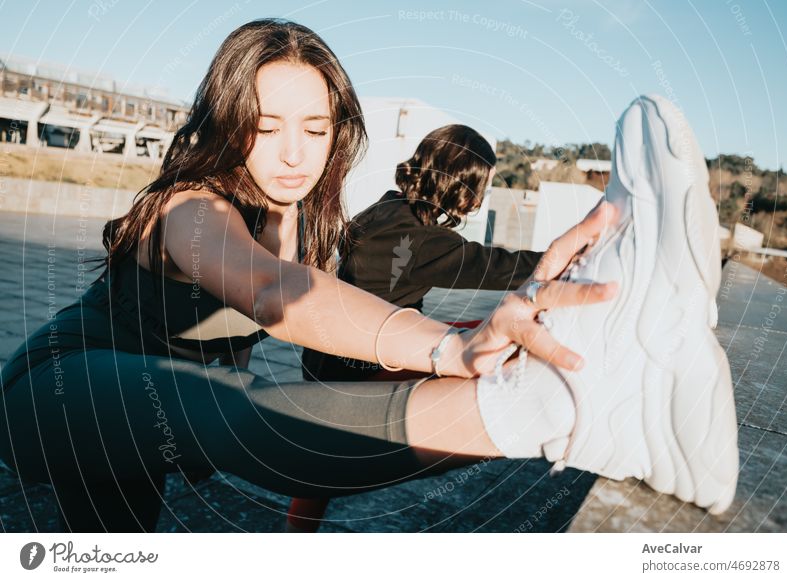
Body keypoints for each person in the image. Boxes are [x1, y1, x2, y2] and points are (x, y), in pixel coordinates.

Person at [0, 19, 736, 533]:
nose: (294, 153)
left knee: (107, 545)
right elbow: (268, 292)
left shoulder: (293, 215)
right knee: (232, 408)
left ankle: (587, 389)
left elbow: (338, 294)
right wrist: (452, 350)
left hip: (151, 411)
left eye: (315, 130)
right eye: (266, 125)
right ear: (228, 123)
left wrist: (533, 286)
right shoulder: (190, 208)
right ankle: (561, 409)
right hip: (64, 385)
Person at [302, 124, 544, 382]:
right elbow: (495, 267)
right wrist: (567, 260)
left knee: (474, 329)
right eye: (484, 183)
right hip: (361, 370)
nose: (483, 194)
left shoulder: (389, 206)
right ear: (463, 183)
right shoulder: (423, 241)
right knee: (500, 345)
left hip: (324, 358)